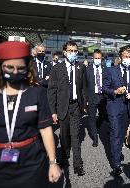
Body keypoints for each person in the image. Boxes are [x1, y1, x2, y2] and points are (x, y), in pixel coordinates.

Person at [0, 41, 62, 188]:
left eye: (21, 68)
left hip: (31, 161)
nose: (15, 72)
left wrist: (52, 162)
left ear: (28, 67)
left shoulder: (36, 92)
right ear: (0, 65)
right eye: (9, 67)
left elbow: (45, 128)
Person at [48, 41, 87, 176]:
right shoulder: (57, 68)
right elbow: (52, 91)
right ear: (64, 52)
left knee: (75, 136)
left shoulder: (81, 67)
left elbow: (84, 88)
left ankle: (78, 165)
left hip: (76, 106)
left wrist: (84, 104)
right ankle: (64, 157)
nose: (73, 53)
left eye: (75, 51)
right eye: (70, 51)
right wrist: (53, 111)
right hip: (62, 107)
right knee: (64, 135)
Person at [103, 46, 130, 176]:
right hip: (114, 106)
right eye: (126, 56)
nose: (128, 59)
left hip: (128, 108)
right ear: (120, 57)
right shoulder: (110, 70)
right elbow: (104, 88)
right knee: (115, 134)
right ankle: (116, 164)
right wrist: (115, 91)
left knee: (122, 134)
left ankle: (117, 152)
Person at [86, 49, 107, 147]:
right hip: (92, 96)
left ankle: (97, 126)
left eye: (99, 58)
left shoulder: (105, 69)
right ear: (92, 58)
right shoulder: (88, 69)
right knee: (92, 118)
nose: (97, 59)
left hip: (102, 96)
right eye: (96, 58)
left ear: (101, 58)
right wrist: (85, 99)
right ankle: (95, 138)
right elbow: (84, 85)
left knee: (103, 115)